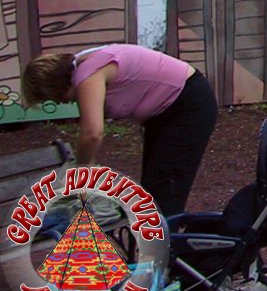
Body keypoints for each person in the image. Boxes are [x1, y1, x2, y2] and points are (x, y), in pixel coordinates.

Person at [21, 43, 218, 217]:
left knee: (163, 194)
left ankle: (167, 254)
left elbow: (92, 134)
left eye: (52, 98)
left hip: (187, 106)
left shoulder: (88, 73)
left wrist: (81, 175)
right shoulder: (87, 62)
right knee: (153, 193)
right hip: (167, 113)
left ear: (53, 86)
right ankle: (161, 251)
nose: (60, 102)